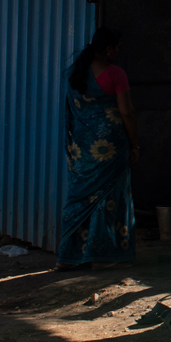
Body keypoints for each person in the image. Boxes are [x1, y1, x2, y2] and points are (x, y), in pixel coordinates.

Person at [58, 26, 139, 270]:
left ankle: (67, 257)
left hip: (83, 147)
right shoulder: (116, 74)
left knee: (79, 197)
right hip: (110, 147)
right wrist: (135, 144)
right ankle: (102, 257)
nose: (117, 53)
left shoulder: (74, 72)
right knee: (109, 198)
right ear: (108, 49)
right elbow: (126, 112)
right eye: (117, 48)